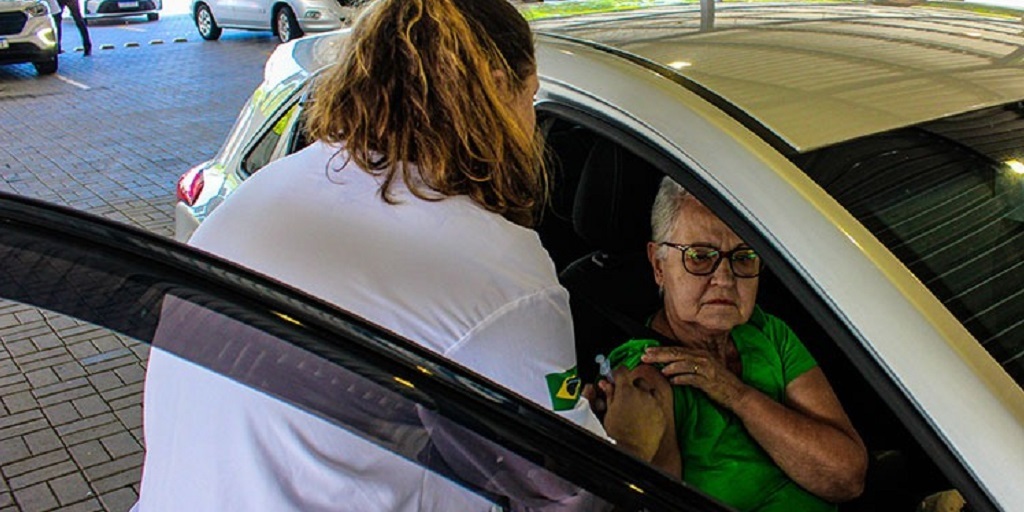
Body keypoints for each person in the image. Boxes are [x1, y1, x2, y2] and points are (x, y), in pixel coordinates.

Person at [132, 0, 663, 509]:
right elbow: (568, 493)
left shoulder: (276, 187)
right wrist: (632, 441)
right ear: (499, 93)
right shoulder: (496, 276)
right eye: (531, 97)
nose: (532, 125)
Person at [595, 176, 868, 512]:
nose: (725, 278)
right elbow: (632, 476)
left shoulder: (767, 332)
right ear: (658, 265)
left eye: (743, 256)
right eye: (699, 256)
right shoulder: (647, 368)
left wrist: (734, 393)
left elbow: (847, 477)